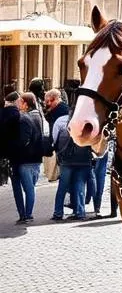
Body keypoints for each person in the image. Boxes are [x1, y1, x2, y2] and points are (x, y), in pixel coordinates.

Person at [2, 91, 45, 222]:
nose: (18, 104)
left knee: (25, 189)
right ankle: (26, 214)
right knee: (28, 188)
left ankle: (26, 214)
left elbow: (23, 141)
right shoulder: (38, 116)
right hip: (30, 159)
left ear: (25, 104)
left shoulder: (24, 118)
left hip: (23, 160)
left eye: (20, 101)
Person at [51, 100, 93, 220]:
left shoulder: (61, 121)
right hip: (84, 159)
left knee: (62, 187)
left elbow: (54, 140)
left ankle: (58, 213)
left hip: (66, 160)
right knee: (80, 186)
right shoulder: (88, 123)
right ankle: (80, 212)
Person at [42, 88, 67, 182]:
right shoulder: (56, 108)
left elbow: (56, 129)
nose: (46, 104)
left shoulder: (61, 110)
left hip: (61, 144)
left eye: (48, 102)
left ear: (54, 99)